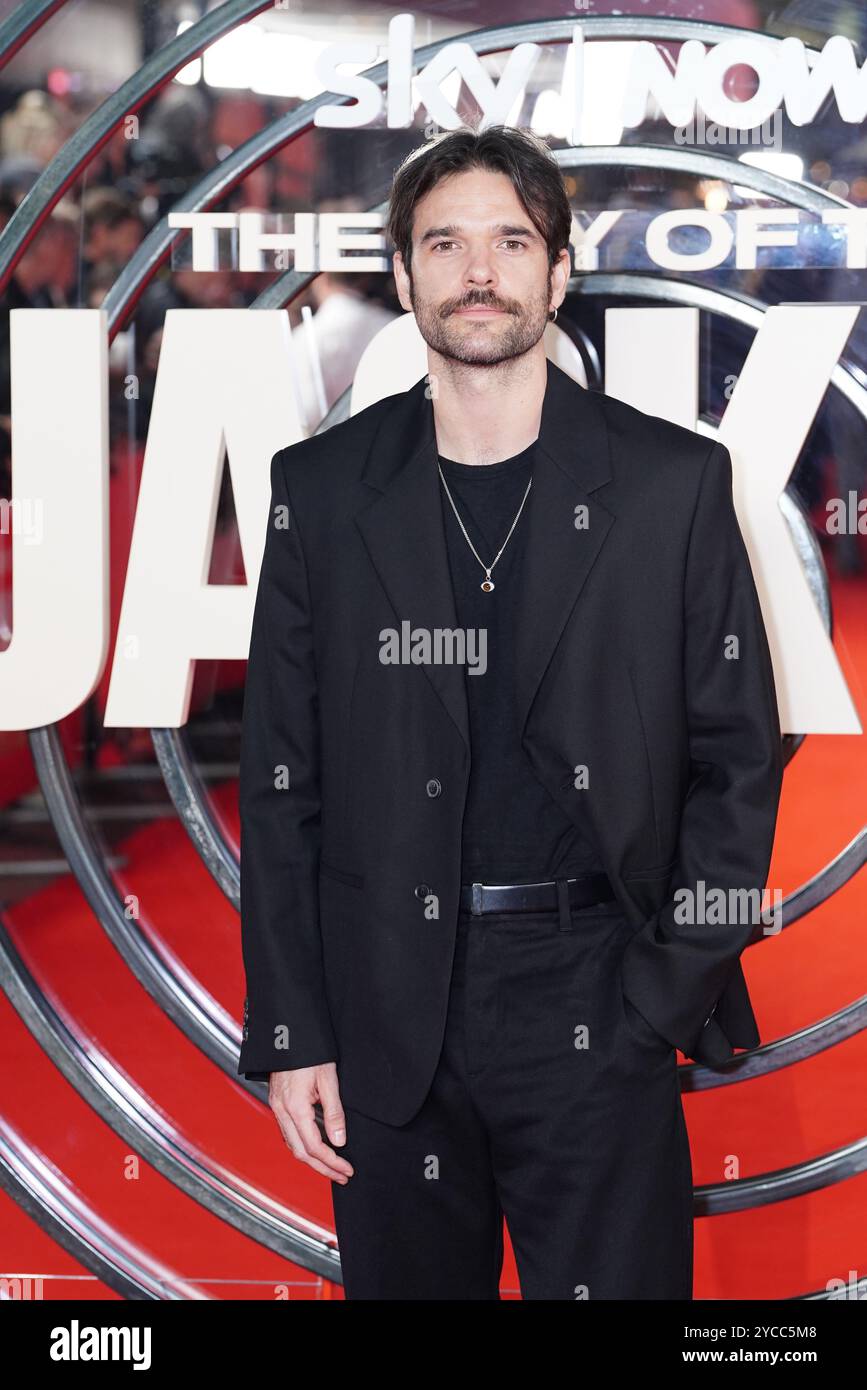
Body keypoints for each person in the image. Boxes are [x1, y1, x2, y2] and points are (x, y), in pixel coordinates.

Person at [237, 125, 783, 1300]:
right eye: (445, 244)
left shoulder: (672, 484)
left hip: (600, 1000)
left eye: (511, 242)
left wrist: (662, 994)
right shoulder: (319, 492)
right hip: (388, 1015)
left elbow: (739, 762)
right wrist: (296, 1029)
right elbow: (283, 782)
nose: (478, 270)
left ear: (559, 271)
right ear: (403, 277)